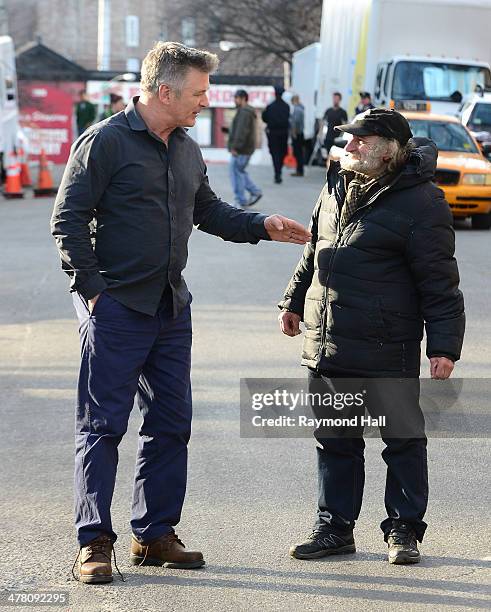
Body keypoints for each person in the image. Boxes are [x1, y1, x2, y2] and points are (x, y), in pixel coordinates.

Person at [51, 41, 311, 585]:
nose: (204, 102)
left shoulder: (186, 147)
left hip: (171, 308)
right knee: (102, 427)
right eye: (197, 93)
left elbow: (208, 210)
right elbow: (68, 221)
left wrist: (261, 225)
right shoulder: (104, 143)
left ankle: (155, 535)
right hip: (117, 307)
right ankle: (94, 542)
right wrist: (94, 293)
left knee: (172, 424)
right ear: (164, 91)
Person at [278, 108, 465, 565]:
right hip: (329, 342)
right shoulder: (336, 184)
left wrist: (443, 346)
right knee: (336, 441)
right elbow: (314, 248)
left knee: (401, 440)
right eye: (349, 138)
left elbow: (440, 282)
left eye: (361, 140)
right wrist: (294, 300)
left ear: (388, 148)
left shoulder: (423, 202)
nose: (351, 145)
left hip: (388, 344)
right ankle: (335, 528)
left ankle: (403, 529)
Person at [227, 89, 262, 207]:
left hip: (241, 149)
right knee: (238, 171)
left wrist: (235, 147)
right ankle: (253, 192)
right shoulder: (245, 111)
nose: (235, 100)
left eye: (236, 98)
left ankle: (241, 199)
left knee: (236, 172)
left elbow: (242, 132)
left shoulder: (244, 112)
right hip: (244, 148)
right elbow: (240, 130)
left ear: (242, 98)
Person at [262, 85, 290, 183]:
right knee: (282, 153)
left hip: (273, 133)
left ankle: (277, 172)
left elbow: (264, 118)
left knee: (275, 153)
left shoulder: (270, 106)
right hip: (283, 133)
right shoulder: (286, 106)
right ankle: (279, 172)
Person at [290, 95, 305, 177]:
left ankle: (299, 170)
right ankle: (299, 170)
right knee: (299, 152)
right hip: (300, 133)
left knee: (297, 153)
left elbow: (295, 122)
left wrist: (294, 133)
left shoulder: (297, 109)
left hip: (297, 134)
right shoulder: (301, 108)